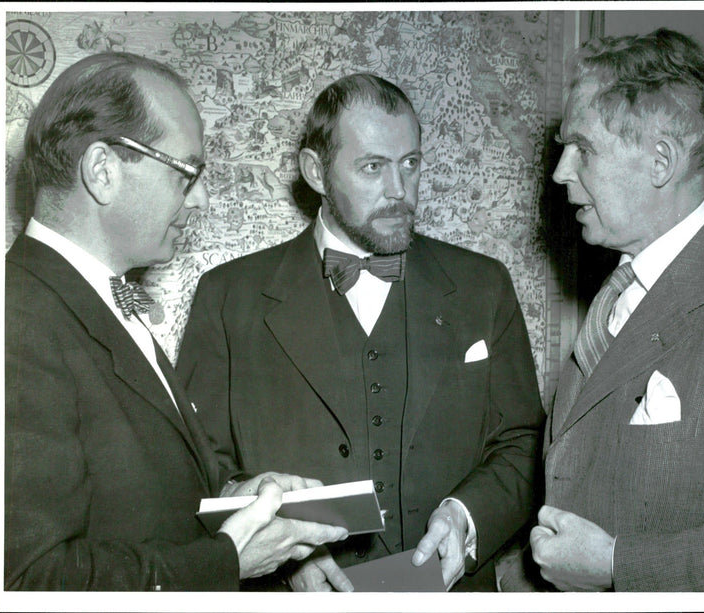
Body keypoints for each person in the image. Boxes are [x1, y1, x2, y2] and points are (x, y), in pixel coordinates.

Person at [176, 73, 544, 591]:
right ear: (316, 172)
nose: (399, 191)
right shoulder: (228, 296)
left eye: (410, 164)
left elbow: (523, 441)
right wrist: (281, 548)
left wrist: (467, 517)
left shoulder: (483, 285)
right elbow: (195, 468)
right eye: (373, 167)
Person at [4, 52, 349, 591]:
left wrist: (240, 497)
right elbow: (28, 581)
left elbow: (144, 494)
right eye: (187, 174)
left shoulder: (98, 300)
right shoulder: (17, 319)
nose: (202, 199)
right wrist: (229, 558)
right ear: (102, 171)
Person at [524, 28, 704, 591]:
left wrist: (618, 565)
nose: (561, 172)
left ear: (660, 161)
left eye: (583, 148)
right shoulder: (618, 288)